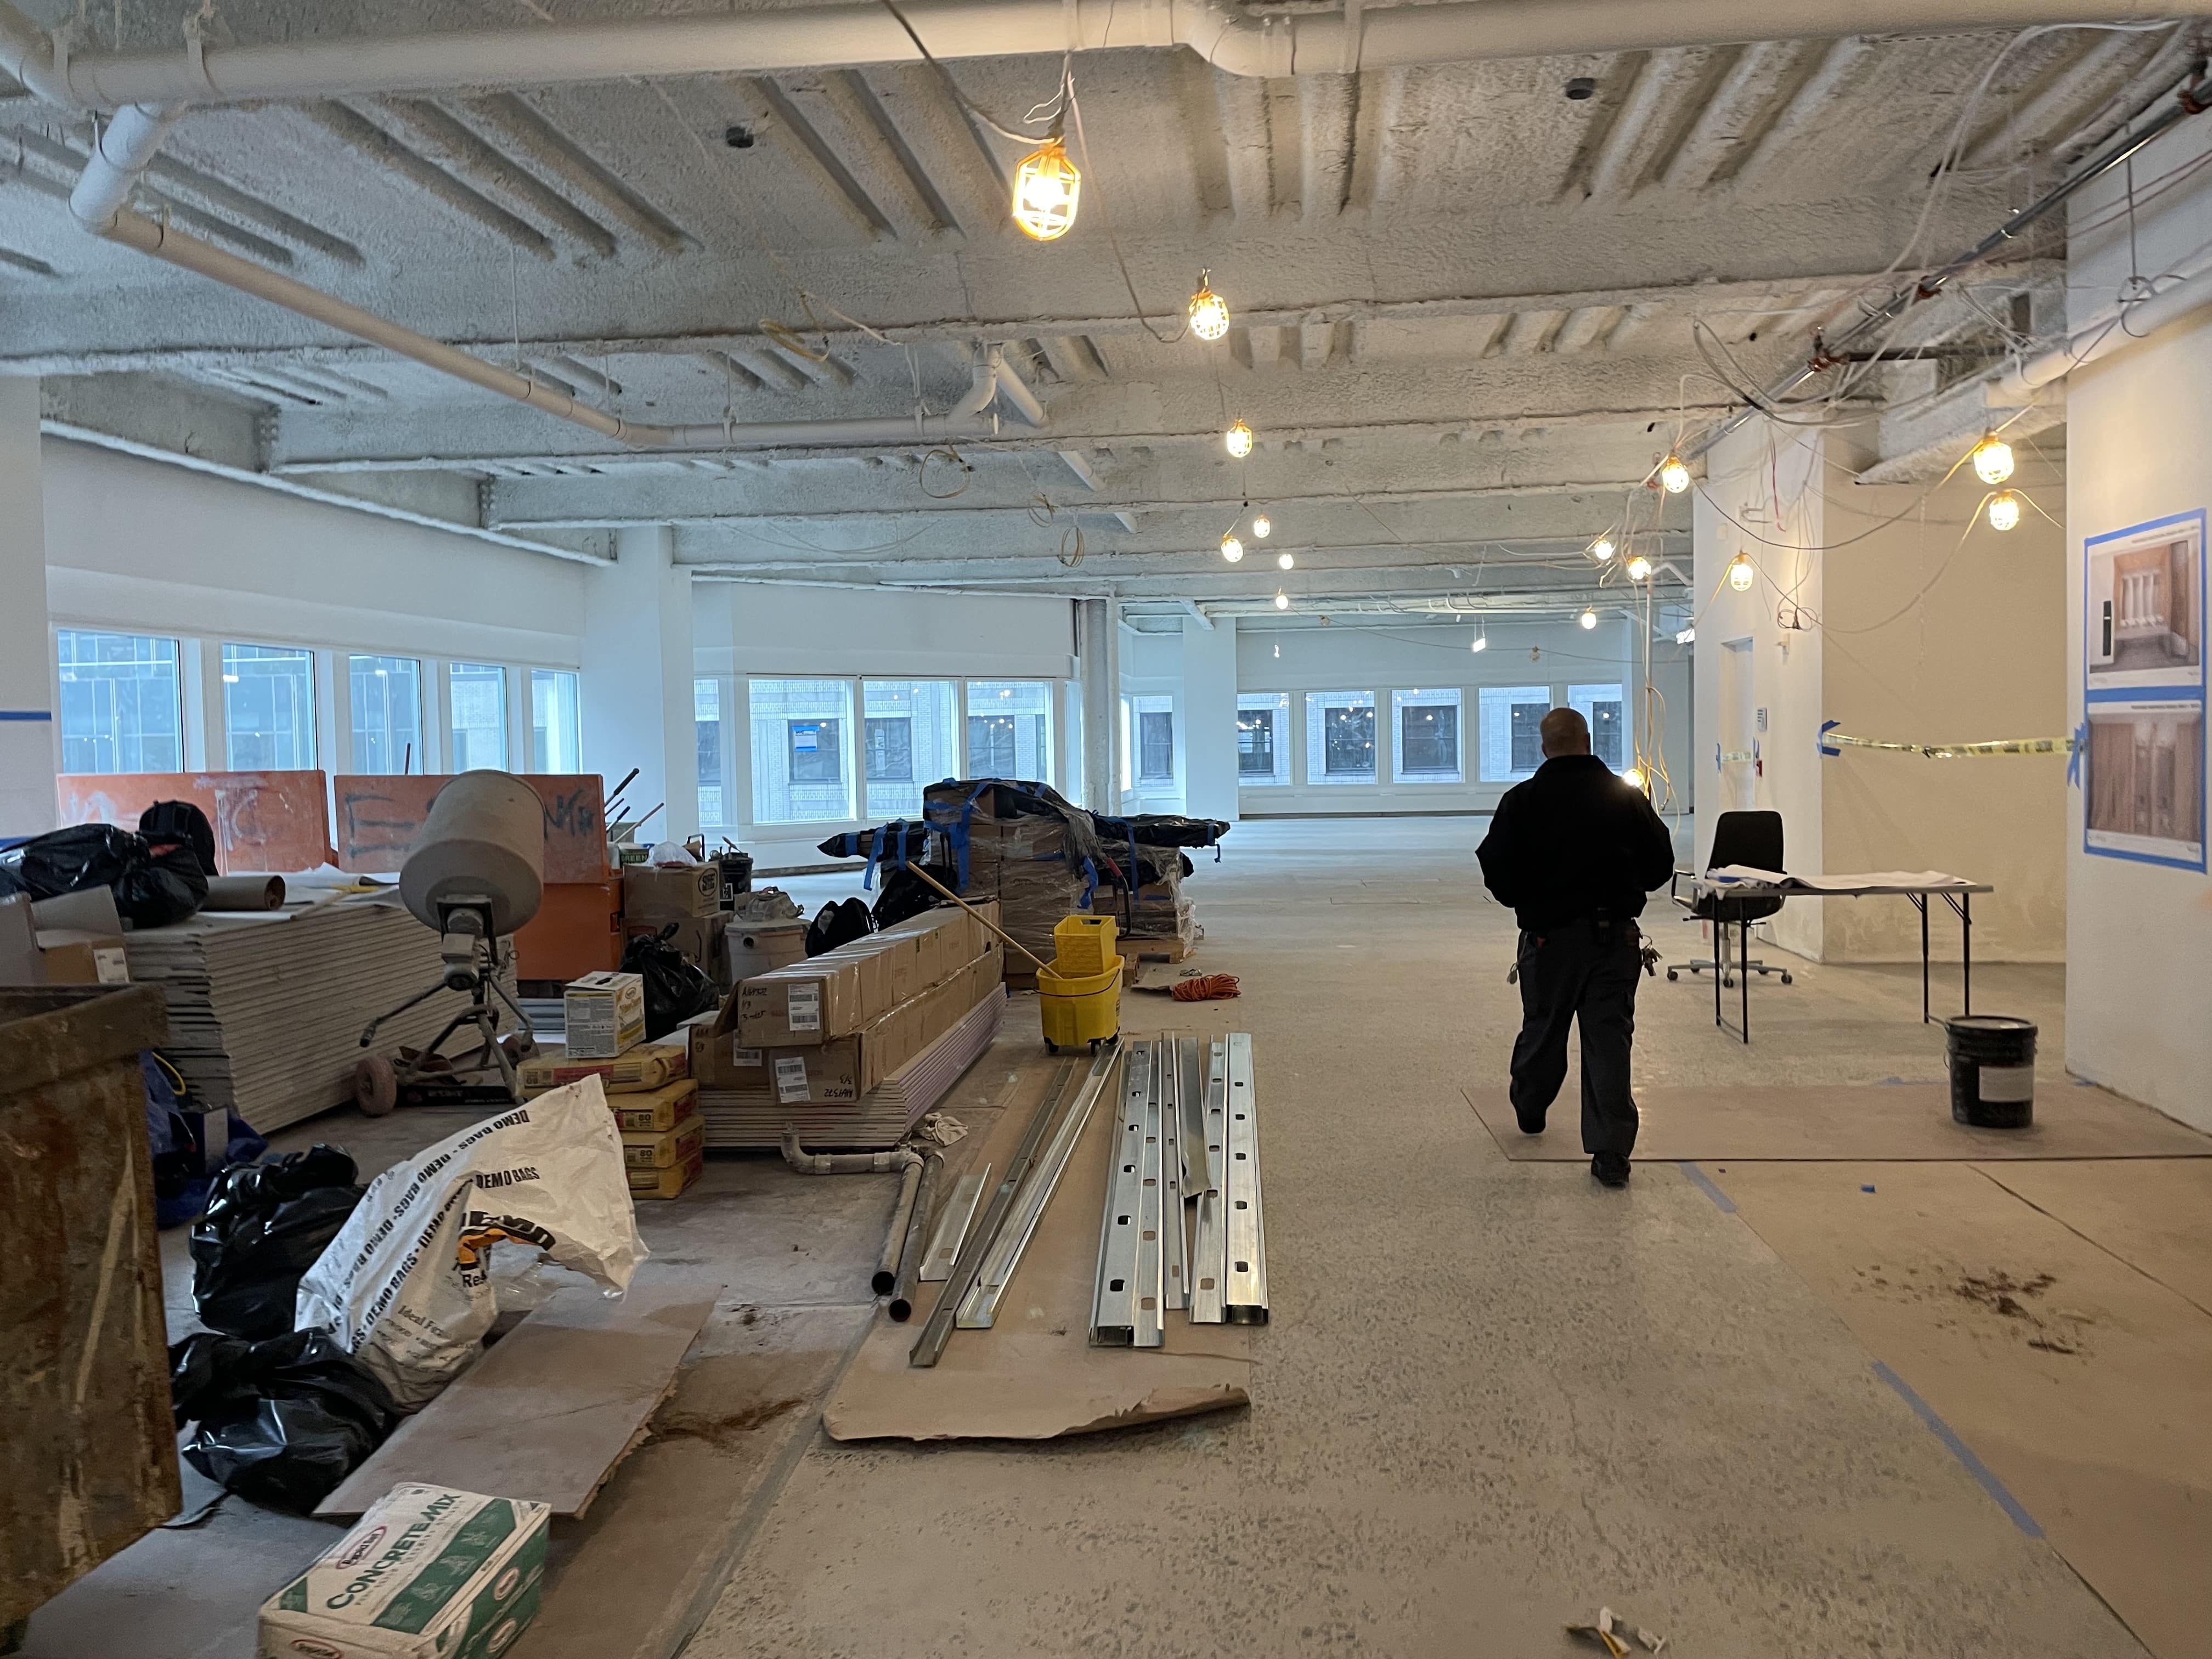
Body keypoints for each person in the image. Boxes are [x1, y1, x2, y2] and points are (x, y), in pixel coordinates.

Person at [1475, 707, 1675, 1187]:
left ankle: (1530, 1106)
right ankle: (1611, 1153)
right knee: (1609, 1041)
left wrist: (1533, 904)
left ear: (1544, 748)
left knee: (1543, 1029)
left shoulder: (1521, 801)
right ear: (1588, 741)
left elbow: (1496, 869)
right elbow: (1660, 863)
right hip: (1614, 941)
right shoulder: (1626, 798)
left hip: (1549, 942)